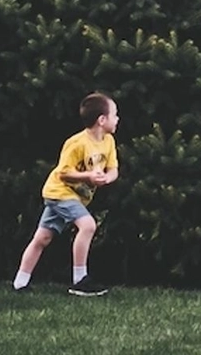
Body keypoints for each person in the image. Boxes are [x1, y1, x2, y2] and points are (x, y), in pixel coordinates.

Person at [12, 91, 121, 296]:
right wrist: (88, 176)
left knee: (42, 238)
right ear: (102, 120)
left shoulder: (108, 142)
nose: (118, 119)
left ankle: (20, 283)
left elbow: (113, 169)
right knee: (88, 225)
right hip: (59, 192)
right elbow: (64, 173)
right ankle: (80, 280)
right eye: (115, 114)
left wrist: (107, 178)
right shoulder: (77, 143)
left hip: (74, 196)